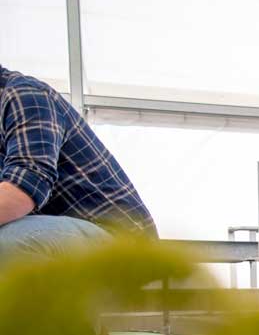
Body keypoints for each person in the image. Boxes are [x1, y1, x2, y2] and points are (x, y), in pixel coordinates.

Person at [0, 64, 157, 263]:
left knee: (6, 242)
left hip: (123, 242)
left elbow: (25, 188)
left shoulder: (24, 95)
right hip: (59, 235)